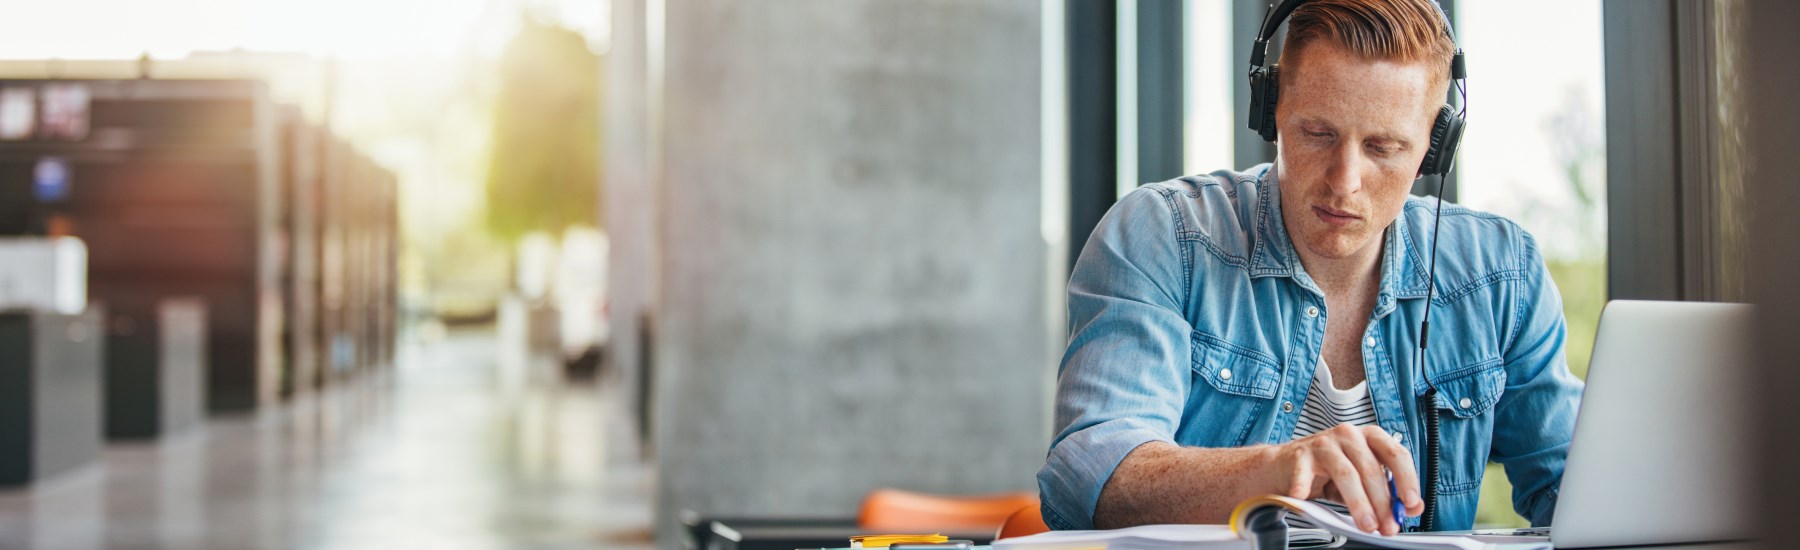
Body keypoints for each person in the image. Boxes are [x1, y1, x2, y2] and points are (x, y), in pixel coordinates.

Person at [1035, 0, 1582, 537]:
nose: (1344, 181)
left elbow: (1577, 489)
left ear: (1434, 149)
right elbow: (1091, 477)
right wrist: (1276, 472)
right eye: (1318, 134)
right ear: (1270, 110)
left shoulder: (1501, 273)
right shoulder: (1163, 236)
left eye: (1384, 147)